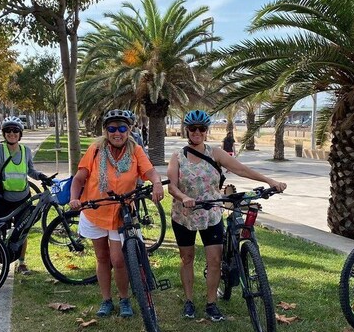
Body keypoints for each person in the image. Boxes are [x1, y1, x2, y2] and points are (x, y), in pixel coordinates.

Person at [166, 109, 286, 321]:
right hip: (184, 214)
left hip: (211, 213)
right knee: (187, 258)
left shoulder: (216, 153)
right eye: (192, 128)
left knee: (215, 259)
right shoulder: (178, 157)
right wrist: (184, 197)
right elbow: (172, 187)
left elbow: (242, 170)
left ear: (206, 131)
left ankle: (211, 303)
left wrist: (270, 181)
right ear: (187, 130)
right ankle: (189, 301)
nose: (197, 132)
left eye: (201, 129)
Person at [68, 109, 164, 318]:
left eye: (122, 128)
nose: (117, 133)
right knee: (102, 258)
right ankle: (106, 300)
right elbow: (79, 178)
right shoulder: (95, 149)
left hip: (122, 213)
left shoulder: (136, 150)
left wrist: (156, 183)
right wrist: (74, 198)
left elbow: (150, 171)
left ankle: (124, 299)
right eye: (112, 128)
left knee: (118, 260)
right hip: (95, 210)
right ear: (105, 131)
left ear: (129, 130)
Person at [0, 116, 50, 275]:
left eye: (15, 131)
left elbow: (30, 171)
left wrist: (41, 176)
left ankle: (21, 264)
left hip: (23, 199)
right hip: (2, 198)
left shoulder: (26, 151)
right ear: (3, 133)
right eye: (8, 131)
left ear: (20, 133)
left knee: (22, 232)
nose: (12, 134)